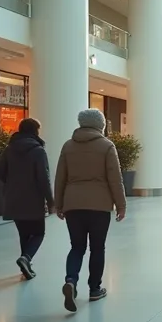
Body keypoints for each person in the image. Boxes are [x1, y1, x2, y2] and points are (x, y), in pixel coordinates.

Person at [55, 109, 126, 311]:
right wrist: (121, 205)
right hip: (99, 205)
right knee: (97, 247)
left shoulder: (68, 146)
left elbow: (61, 177)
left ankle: (71, 280)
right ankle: (95, 289)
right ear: (100, 125)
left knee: (76, 246)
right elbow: (115, 178)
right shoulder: (106, 146)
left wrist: (58, 203)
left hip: (73, 204)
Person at [0, 117, 53, 280]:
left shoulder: (9, 149)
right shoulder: (38, 151)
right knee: (38, 233)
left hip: (13, 198)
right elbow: (44, 178)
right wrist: (51, 201)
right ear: (35, 131)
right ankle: (26, 258)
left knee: (24, 234)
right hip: (33, 199)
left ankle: (25, 267)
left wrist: (13, 184)